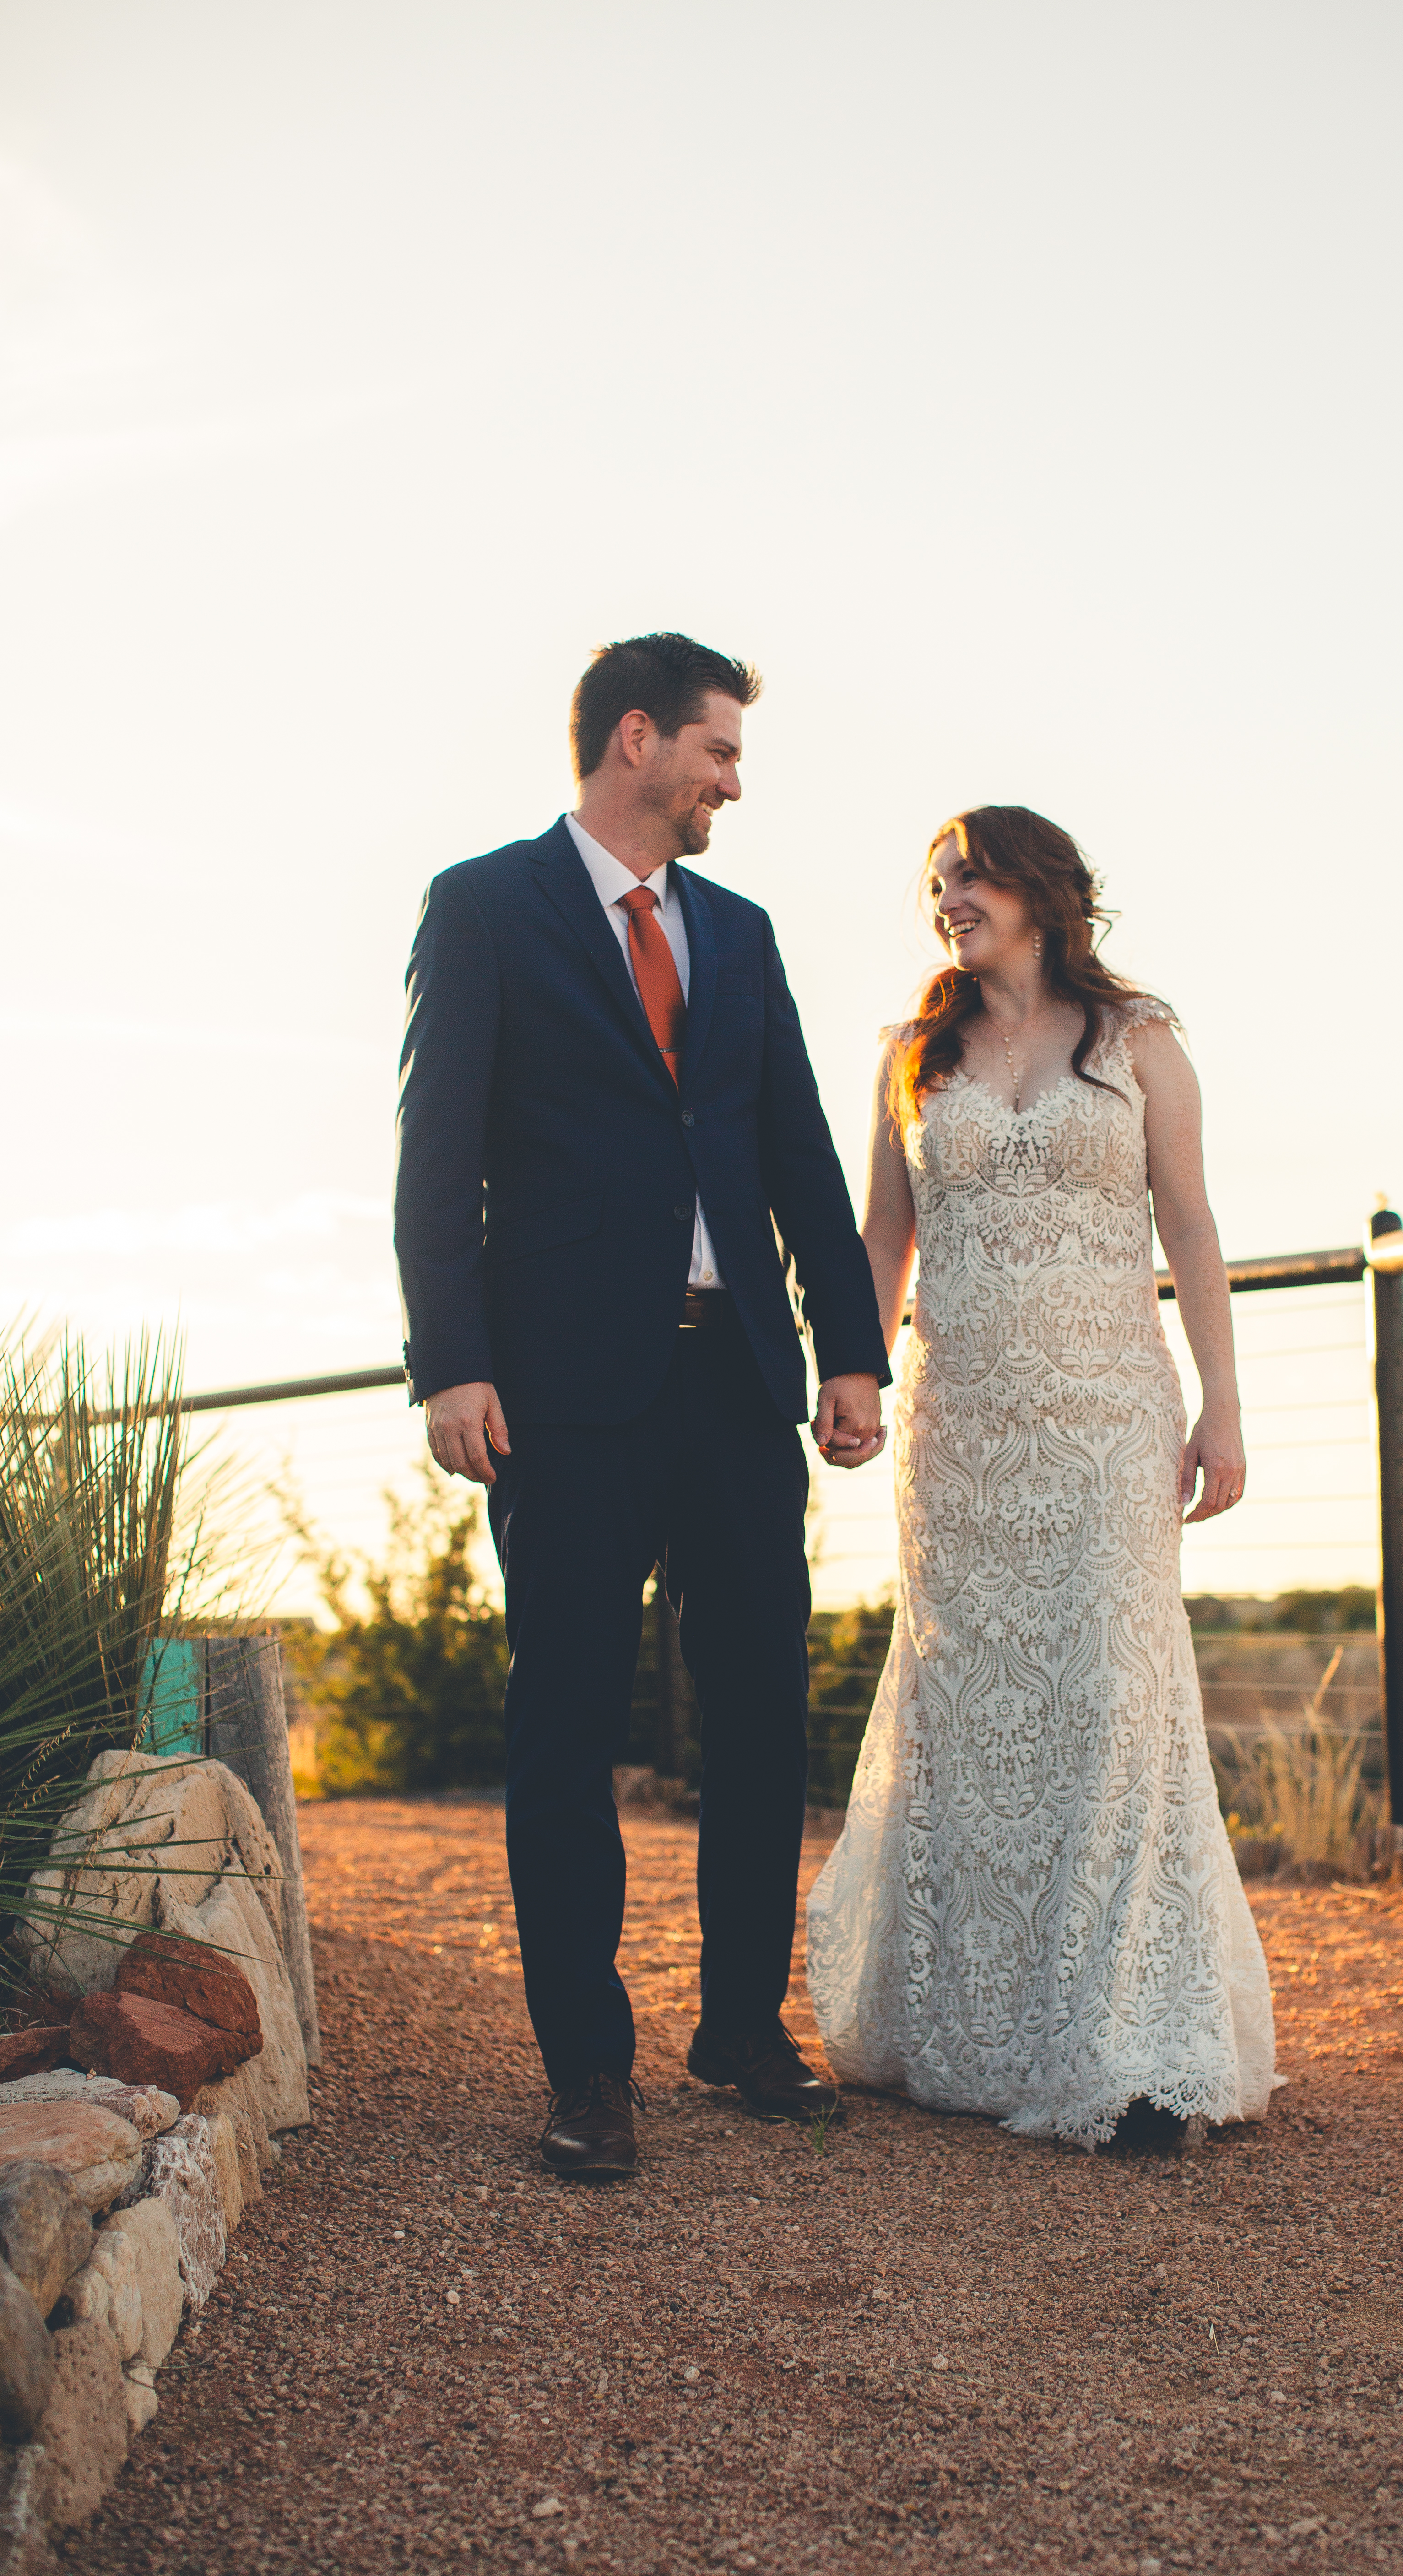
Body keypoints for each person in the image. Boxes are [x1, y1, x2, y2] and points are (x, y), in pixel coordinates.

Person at [394, 633, 890, 2181]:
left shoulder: (738, 934)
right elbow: (436, 1155)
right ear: (635, 741)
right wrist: (449, 1362)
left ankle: (741, 2027)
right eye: (719, 753)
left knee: (757, 1714)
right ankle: (586, 2069)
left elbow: (798, 1150)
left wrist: (851, 1346)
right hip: (562, 1392)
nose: (734, 783)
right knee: (566, 1725)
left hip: (736, 1381)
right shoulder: (483, 908)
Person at [806, 806, 1278, 2146]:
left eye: (973, 878)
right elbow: (882, 1238)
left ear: (1041, 892)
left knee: (1118, 1705)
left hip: (1113, 1427)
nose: (950, 898)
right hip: (966, 1433)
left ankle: (1132, 2047)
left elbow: (1188, 1223)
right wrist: (853, 1379)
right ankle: (980, 2028)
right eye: (940, 882)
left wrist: (1223, 1406)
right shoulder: (914, 1055)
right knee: (981, 1714)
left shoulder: (1138, 1044)